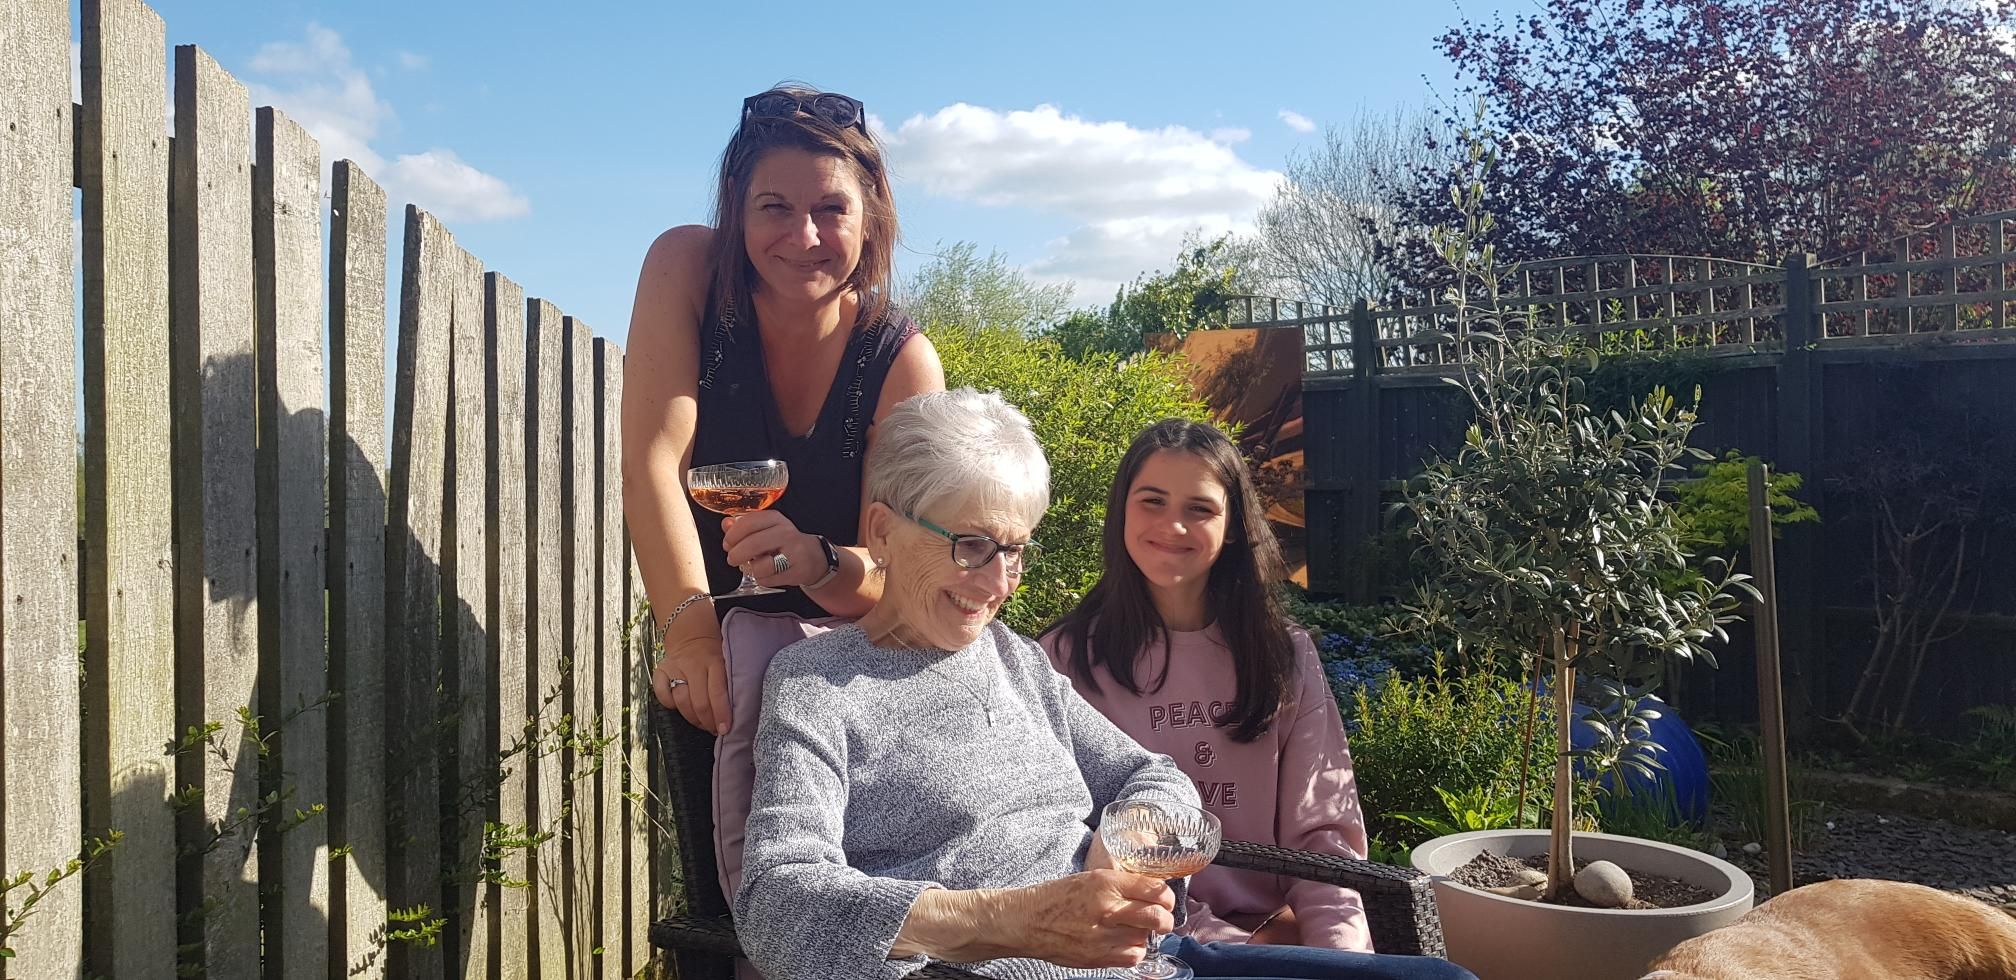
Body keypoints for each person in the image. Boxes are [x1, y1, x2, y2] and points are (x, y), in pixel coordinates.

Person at [735, 390, 1474, 980]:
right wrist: (1009, 921)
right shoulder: (820, 685)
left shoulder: (1016, 660)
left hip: (1160, 961)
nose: (998, 584)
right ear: (883, 529)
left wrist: (1119, 853)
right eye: (971, 546)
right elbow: (775, 902)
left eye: (1015, 551)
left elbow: (1157, 778)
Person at [622, 85, 943, 736]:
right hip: (713, 671)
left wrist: (819, 561)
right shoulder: (686, 269)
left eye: (832, 208)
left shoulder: (903, 362)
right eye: (775, 207)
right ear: (738, 206)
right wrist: (692, 640)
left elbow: (903, 575)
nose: (805, 237)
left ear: (871, 213)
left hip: (850, 697)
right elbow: (653, 464)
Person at [1044, 419, 1374, 952]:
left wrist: (1341, 959)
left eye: (1199, 509)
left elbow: (1324, 839)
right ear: (1121, 512)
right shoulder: (1062, 660)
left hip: (1274, 937)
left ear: (1234, 526)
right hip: (1140, 943)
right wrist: (1227, 947)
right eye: (1152, 501)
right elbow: (1066, 840)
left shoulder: (1285, 656)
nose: (1172, 526)